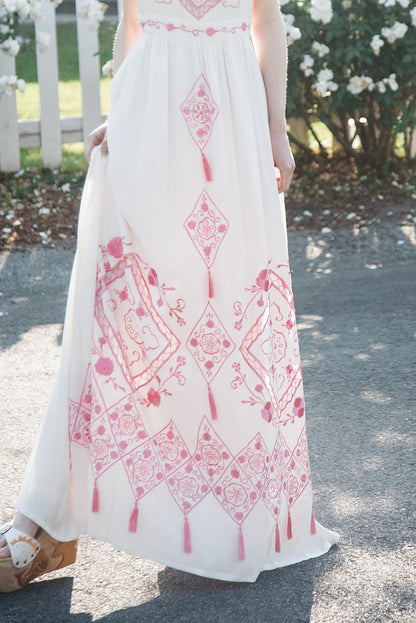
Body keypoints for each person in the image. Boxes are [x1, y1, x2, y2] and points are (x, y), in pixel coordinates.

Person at [0, 0, 339, 591]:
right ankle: (48, 512)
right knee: (112, 310)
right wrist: (118, 112)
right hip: (147, 126)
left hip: (231, 130)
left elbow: (266, 24)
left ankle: (215, 517)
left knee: (220, 304)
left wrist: (276, 130)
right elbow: (131, 27)